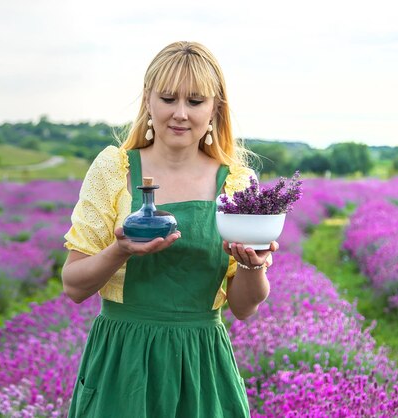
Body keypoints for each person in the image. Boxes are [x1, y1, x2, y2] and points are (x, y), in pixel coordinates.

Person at [62, 41, 278, 418]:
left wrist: (252, 264)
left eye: (195, 101)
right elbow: (74, 285)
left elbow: (244, 307)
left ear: (215, 108)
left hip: (201, 364)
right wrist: (120, 250)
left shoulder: (237, 183)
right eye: (167, 98)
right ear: (148, 101)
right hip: (123, 363)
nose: (180, 113)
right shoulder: (114, 169)